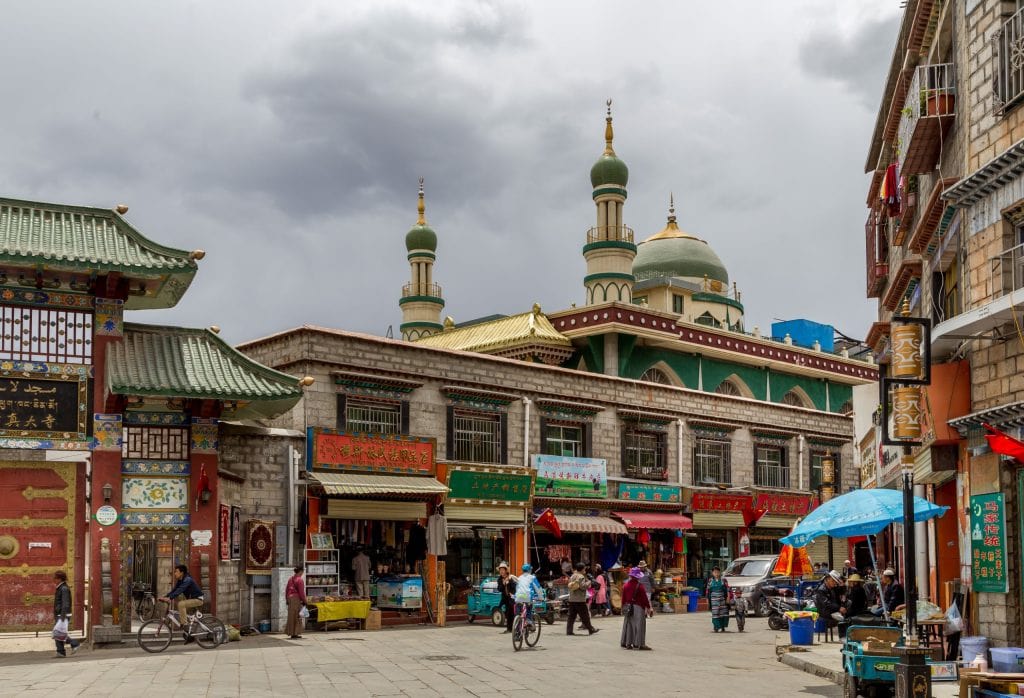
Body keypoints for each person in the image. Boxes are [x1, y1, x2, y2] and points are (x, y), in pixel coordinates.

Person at [159, 564, 204, 643]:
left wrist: (170, 598)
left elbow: (180, 590)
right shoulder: (180, 580)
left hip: (198, 599)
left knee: (181, 604)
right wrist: (165, 596)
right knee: (183, 613)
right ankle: (188, 634)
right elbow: (175, 590)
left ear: (181, 573)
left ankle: (185, 625)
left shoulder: (187, 579)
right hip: (191, 599)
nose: (175, 573)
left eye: (176, 571)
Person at [620, 567, 652, 650]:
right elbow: (644, 599)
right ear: (638, 577)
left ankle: (627, 643)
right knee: (639, 625)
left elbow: (623, 598)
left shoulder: (626, 585)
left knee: (629, 625)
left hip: (628, 607)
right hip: (638, 608)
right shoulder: (640, 586)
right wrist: (648, 607)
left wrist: (622, 607)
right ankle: (639, 644)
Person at [52, 570, 80, 658]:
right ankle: (61, 652)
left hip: (62, 614)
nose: (54, 580)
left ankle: (74, 644)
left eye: (55, 578)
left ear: (59, 579)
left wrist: (62, 616)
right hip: (61, 614)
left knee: (58, 633)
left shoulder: (63, 588)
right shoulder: (61, 587)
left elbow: (65, 603)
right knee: (58, 633)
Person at [567, 562, 599, 636]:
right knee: (585, 615)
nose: (585, 570)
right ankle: (591, 629)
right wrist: (589, 582)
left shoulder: (572, 576)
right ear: (582, 569)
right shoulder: (581, 576)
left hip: (572, 599)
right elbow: (582, 587)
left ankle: (569, 631)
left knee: (571, 616)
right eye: (584, 568)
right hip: (579, 599)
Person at [284, 565, 307, 639]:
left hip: (290, 598)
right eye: (302, 571)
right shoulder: (300, 580)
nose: (302, 573)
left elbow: (287, 590)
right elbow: (301, 593)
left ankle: (292, 633)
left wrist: (287, 600)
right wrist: (305, 601)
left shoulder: (290, 579)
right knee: (297, 616)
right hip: (296, 599)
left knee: (291, 616)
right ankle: (296, 633)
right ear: (300, 571)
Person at [705, 566, 730, 633]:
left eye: (717, 572)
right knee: (715, 613)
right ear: (712, 573)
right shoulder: (710, 581)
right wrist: (707, 599)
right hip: (714, 600)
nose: (716, 573)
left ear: (720, 572)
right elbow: (707, 590)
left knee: (723, 613)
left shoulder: (723, 580)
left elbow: (727, 589)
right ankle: (716, 627)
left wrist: (728, 598)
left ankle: (722, 627)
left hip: (722, 599)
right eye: (714, 572)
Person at [496, 562, 516, 634]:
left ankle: (514, 628)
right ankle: (509, 628)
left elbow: (514, 587)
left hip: (512, 598)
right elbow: (499, 589)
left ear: (505, 570)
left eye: (502, 570)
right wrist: (503, 584)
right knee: (508, 613)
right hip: (505, 598)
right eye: (500, 570)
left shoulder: (511, 577)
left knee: (512, 613)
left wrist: (509, 582)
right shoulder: (499, 579)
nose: (501, 571)